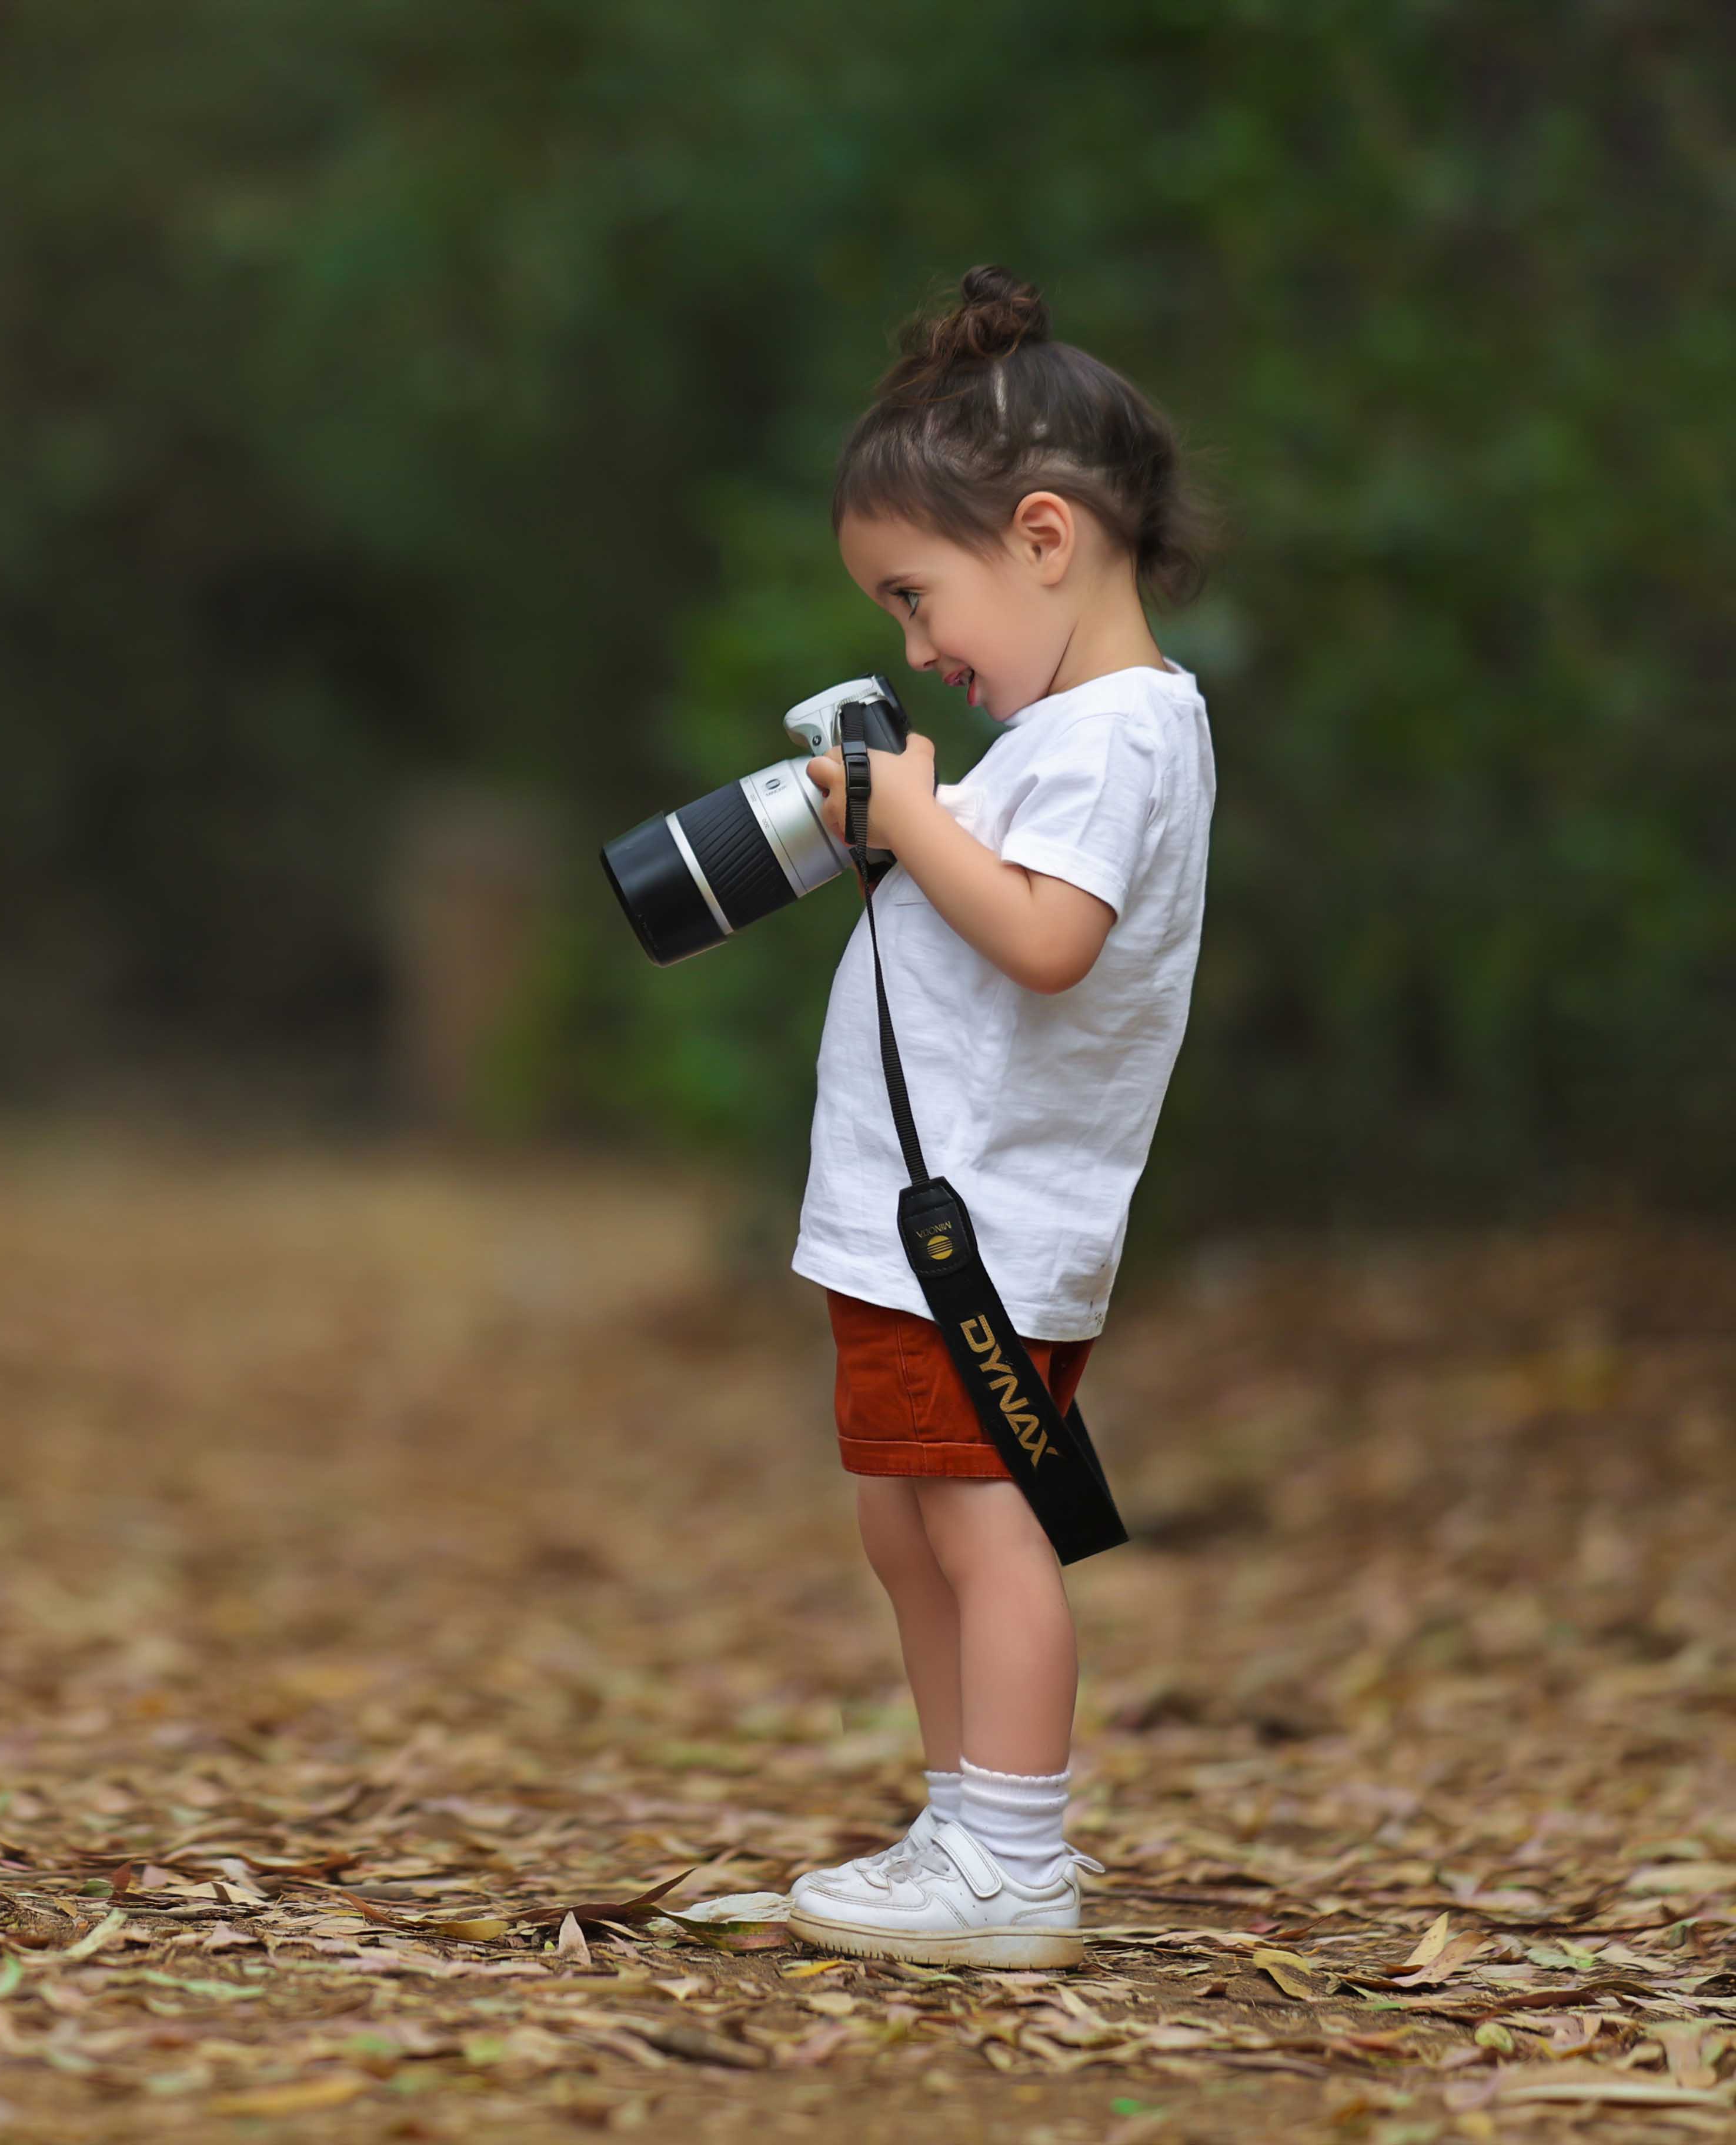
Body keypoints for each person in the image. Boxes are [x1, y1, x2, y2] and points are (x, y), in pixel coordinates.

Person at [779, 268, 1216, 1967]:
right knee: (910, 1518)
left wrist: (912, 817)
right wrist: (911, 821)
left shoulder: (1115, 736)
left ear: (1043, 537)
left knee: (979, 1521)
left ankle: (1015, 1857)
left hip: (983, 1228)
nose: (916, 649)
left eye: (917, 597)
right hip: (927, 1221)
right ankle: (965, 1826)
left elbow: (1046, 942)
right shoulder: (1065, 735)